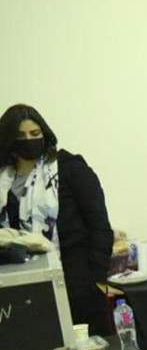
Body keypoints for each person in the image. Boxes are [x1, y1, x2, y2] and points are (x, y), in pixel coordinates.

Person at [0, 104, 114, 335]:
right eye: (21, 136)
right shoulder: (4, 178)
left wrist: (97, 279)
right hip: (19, 285)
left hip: (77, 282)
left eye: (35, 133)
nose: (29, 140)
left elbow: (99, 225)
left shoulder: (70, 168)